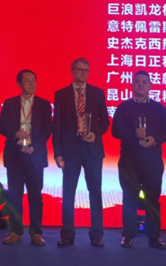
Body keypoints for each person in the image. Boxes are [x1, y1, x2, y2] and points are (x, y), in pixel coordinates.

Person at [111, 70, 166, 249]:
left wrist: (155, 139)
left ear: (150, 86)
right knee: (130, 198)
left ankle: (154, 237)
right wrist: (133, 133)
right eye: (137, 81)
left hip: (152, 161)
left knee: (152, 199)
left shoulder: (159, 108)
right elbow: (115, 131)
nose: (140, 85)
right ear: (132, 84)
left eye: (144, 82)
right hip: (129, 161)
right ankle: (128, 236)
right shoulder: (123, 107)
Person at [53, 58, 109, 247]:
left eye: (86, 70)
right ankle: (67, 235)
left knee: (95, 192)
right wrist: (58, 152)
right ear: (72, 71)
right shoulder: (61, 94)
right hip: (70, 150)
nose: (83, 73)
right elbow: (57, 125)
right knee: (68, 193)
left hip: (92, 150)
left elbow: (105, 121)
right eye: (79, 69)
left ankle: (97, 235)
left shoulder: (97, 93)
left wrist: (95, 133)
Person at [0, 69, 53, 246]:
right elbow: (1, 126)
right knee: (14, 196)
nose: (32, 84)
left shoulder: (44, 104)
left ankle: (36, 233)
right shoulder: (10, 103)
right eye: (27, 81)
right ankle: (15, 232)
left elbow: (47, 129)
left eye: (34, 80)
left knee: (35, 197)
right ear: (19, 84)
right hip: (14, 155)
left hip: (35, 156)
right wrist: (15, 133)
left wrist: (34, 146)